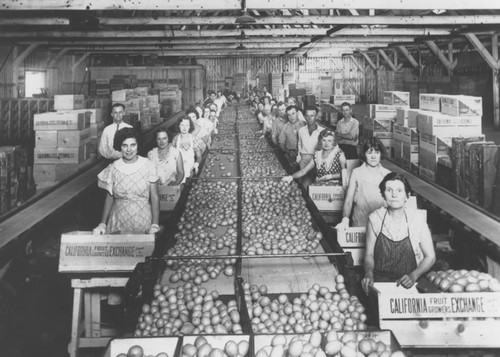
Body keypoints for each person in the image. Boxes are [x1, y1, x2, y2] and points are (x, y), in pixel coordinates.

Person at [362, 173, 436, 292]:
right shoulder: (375, 219)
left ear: (407, 195)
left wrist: (414, 275)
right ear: (383, 195)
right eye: (389, 190)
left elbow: (430, 257)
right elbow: (369, 255)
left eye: (399, 190)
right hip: (381, 285)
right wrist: (369, 273)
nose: (394, 195)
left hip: (410, 285)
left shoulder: (416, 219)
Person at [93, 128, 160, 235]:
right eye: (125, 145)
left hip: (142, 221)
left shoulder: (148, 166)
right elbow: (109, 197)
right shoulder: (114, 168)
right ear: (120, 147)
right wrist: (102, 223)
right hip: (117, 222)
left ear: (138, 146)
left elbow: (155, 196)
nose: (129, 149)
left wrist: (155, 224)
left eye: (133, 145)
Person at [337, 138, 391, 228]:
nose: (373, 157)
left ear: (381, 154)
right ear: (364, 154)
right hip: (360, 223)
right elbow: (348, 200)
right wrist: (345, 219)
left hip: (382, 225)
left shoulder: (387, 174)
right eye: (369, 153)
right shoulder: (356, 173)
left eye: (377, 153)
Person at [296, 105, 325, 188]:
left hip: (317, 160)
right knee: (304, 184)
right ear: (304, 116)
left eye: (312, 115)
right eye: (307, 116)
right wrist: (299, 158)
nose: (309, 118)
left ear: (316, 116)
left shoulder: (322, 131)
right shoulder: (301, 131)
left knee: (316, 184)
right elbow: (299, 145)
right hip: (304, 159)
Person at [171, 116, 202, 183]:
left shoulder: (193, 139)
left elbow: (199, 156)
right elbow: (171, 155)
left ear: (190, 126)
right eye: (182, 125)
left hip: (190, 167)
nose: (184, 128)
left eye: (187, 125)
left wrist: (196, 164)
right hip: (178, 168)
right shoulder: (175, 139)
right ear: (178, 126)